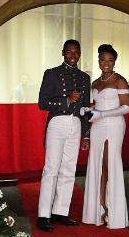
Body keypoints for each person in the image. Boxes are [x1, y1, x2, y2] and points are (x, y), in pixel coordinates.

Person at [37, 39, 91, 232]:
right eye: (69, 52)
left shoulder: (84, 78)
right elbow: (42, 103)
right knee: (51, 169)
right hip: (57, 122)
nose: (73, 56)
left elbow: (85, 109)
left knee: (69, 169)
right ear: (63, 53)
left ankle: (60, 211)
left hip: (76, 123)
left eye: (76, 52)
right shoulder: (51, 74)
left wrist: (86, 135)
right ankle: (43, 214)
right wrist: (66, 100)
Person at [82, 44, 129, 229]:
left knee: (110, 164)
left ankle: (114, 211)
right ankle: (100, 207)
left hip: (114, 125)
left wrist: (102, 114)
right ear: (98, 60)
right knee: (98, 166)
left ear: (114, 62)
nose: (106, 63)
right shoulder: (95, 83)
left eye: (110, 60)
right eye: (103, 59)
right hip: (97, 127)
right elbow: (97, 105)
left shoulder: (120, 80)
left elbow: (126, 107)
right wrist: (89, 109)